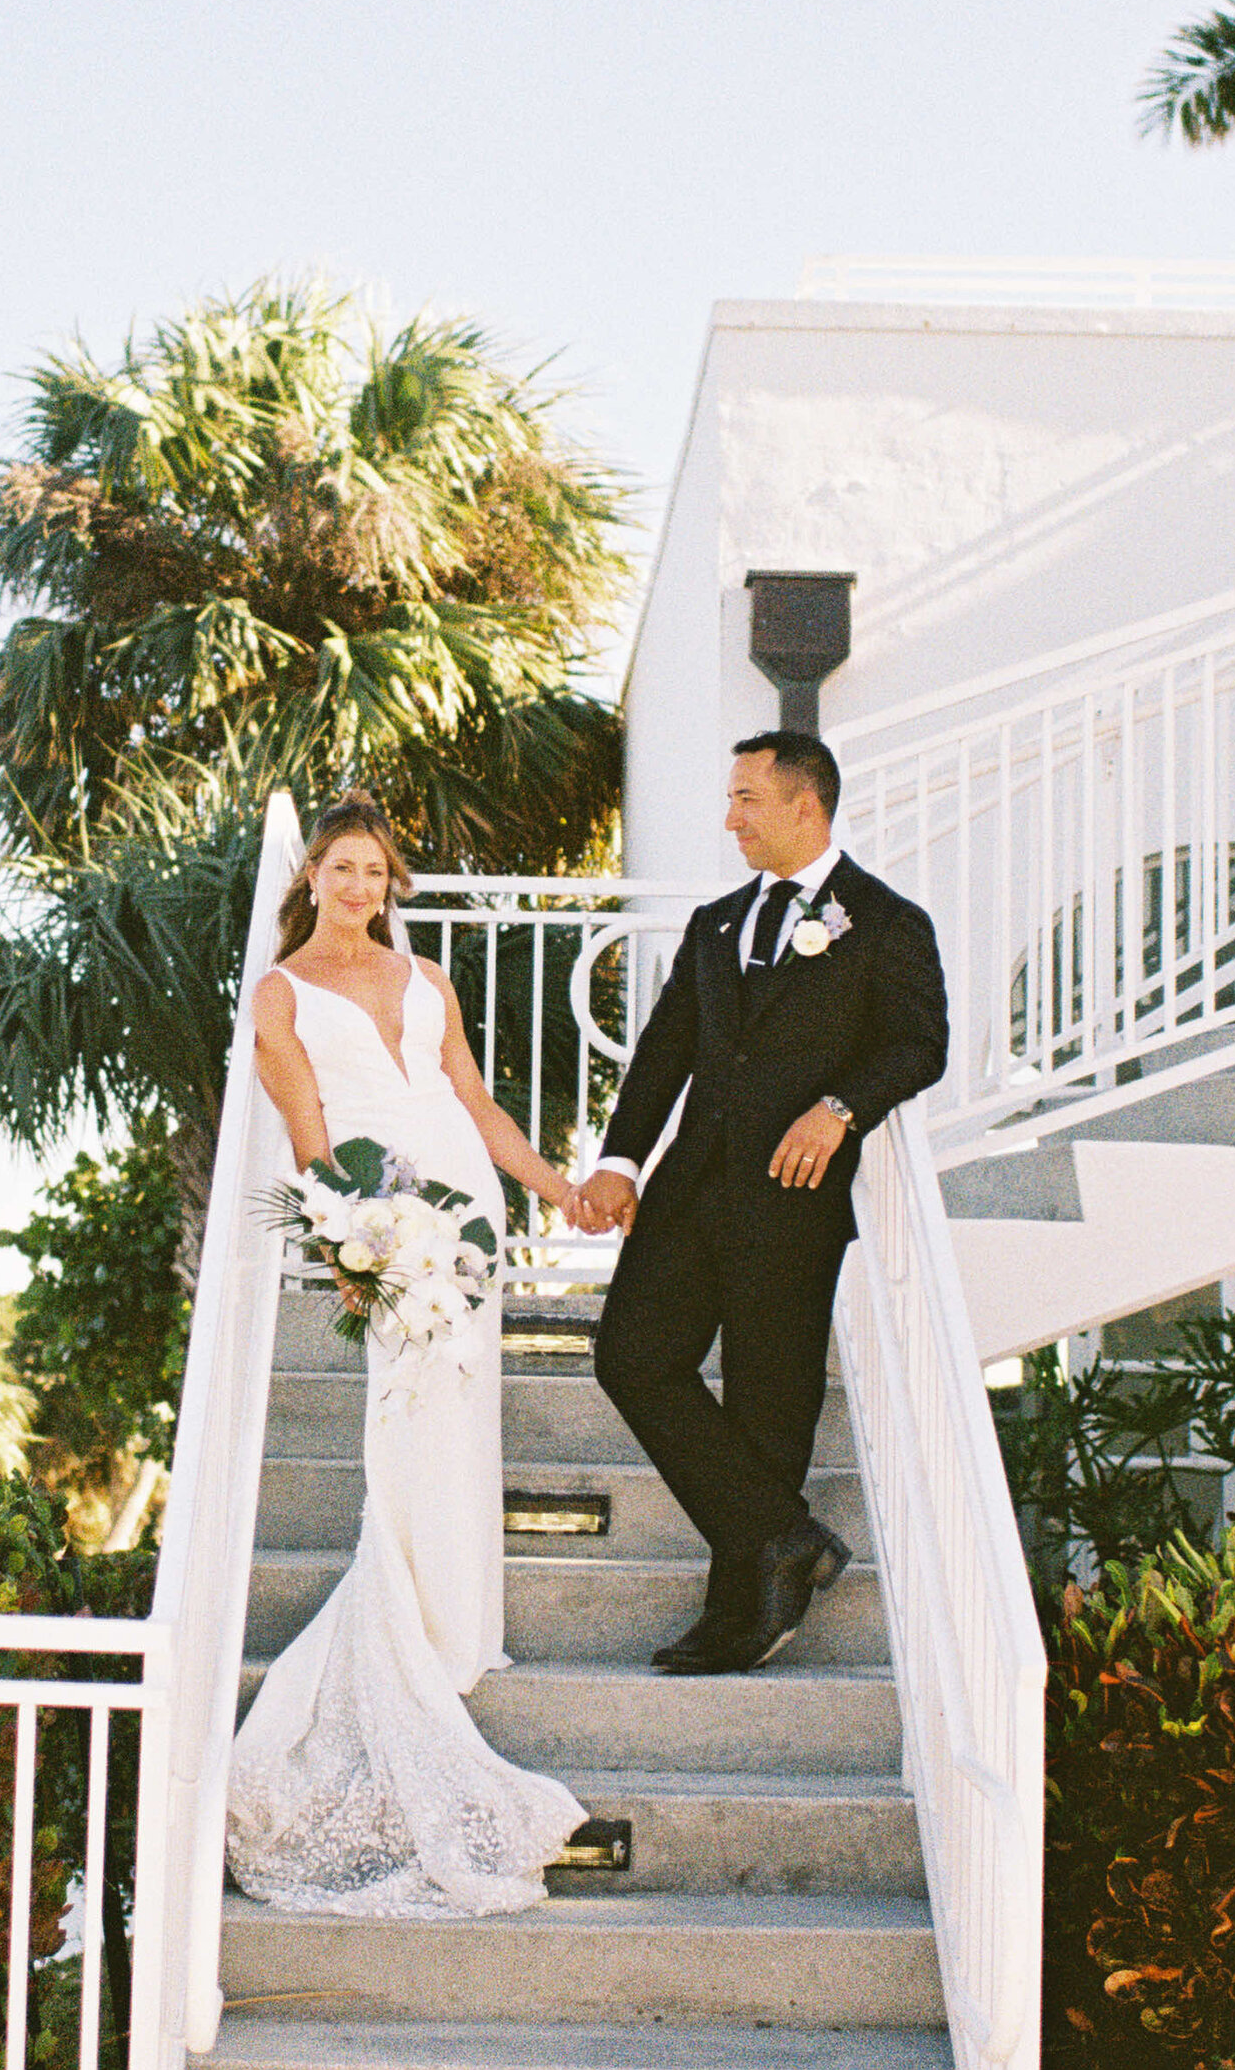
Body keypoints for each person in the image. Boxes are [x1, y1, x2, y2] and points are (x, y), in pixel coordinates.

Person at [222, 793, 591, 1917]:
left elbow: (473, 1100)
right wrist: (342, 1234)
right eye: (342, 868)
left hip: (465, 1204)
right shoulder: (278, 993)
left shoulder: (427, 979)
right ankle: (406, 1615)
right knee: (405, 1403)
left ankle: (456, 1615)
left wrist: (555, 1188)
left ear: (391, 883)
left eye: (375, 871)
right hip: (383, 1212)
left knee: (462, 1401)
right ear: (312, 878)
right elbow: (308, 1133)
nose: (359, 887)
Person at [570, 731, 950, 1674]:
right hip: (692, 1187)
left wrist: (840, 1109)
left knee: (769, 1410)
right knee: (631, 1354)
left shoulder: (888, 922)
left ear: (804, 807)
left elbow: (920, 1044)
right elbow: (665, 1052)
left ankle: (743, 1610)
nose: (729, 817)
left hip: (793, 1199)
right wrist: (619, 1160)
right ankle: (785, 1536)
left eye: (746, 799)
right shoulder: (716, 923)